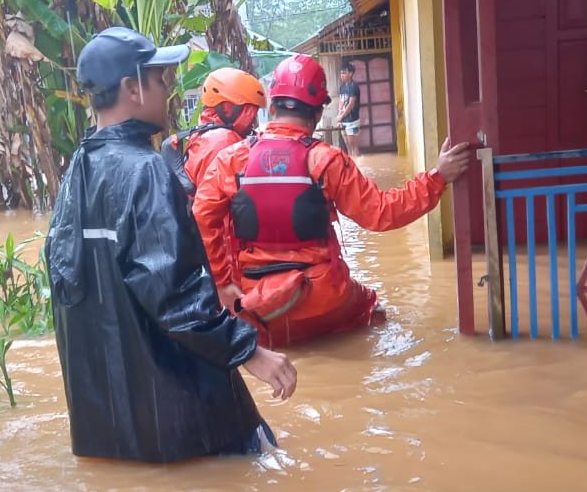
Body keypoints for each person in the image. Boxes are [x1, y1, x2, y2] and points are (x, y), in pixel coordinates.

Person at [45, 26, 296, 464]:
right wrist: (249, 351)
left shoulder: (78, 169)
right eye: (160, 80)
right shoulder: (145, 170)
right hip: (182, 423)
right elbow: (175, 293)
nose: (168, 91)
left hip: (110, 432)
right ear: (132, 88)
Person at [192, 54, 473, 347]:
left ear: (272, 108)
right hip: (325, 299)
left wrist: (223, 283)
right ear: (318, 112)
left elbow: (201, 219)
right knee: (372, 309)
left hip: (256, 306)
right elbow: (381, 213)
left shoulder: (231, 159)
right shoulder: (327, 161)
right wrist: (438, 177)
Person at [161, 67, 267, 195]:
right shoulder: (223, 140)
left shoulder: (203, 133)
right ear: (228, 108)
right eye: (249, 112)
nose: (253, 121)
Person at [335, 62, 361, 157]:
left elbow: (351, 104)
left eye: (344, 73)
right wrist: (339, 117)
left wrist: (341, 116)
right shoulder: (342, 87)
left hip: (352, 120)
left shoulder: (354, 86)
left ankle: (359, 164)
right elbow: (341, 102)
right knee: (348, 147)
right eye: (341, 73)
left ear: (350, 73)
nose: (342, 75)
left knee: (354, 146)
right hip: (343, 120)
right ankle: (351, 164)